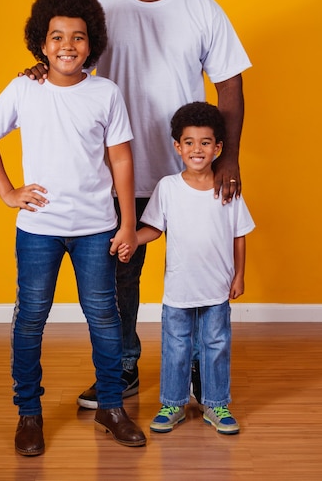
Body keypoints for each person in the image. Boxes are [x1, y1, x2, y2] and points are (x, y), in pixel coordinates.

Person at [21, 0, 252, 410]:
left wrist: (228, 159)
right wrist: (39, 69)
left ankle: (196, 373)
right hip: (115, 172)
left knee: (200, 268)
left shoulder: (203, 9)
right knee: (121, 273)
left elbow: (230, 85)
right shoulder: (99, 7)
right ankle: (124, 368)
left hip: (189, 172)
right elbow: (66, 57)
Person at [0, 0, 146, 456]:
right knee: (30, 320)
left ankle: (112, 407)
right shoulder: (23, 88)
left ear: (92, 44)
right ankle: (28, 414)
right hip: (38, 231)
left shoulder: (105, 93)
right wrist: (8, 192)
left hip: (96, 227)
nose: (67, 45)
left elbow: (122, 161)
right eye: (56, 36)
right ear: (41, 43)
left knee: (104, 319)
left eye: (78, 37)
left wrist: (127, 224)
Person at [118, 102, 255, 434]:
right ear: (178, 147)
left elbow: (239, 236)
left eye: (206, 142)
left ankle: (216, 404)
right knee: (176, 346)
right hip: (179, 289)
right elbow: (154, 228)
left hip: (217, 289)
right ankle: (173, 403)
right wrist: (133, 239)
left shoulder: (228, 189)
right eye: (189, 142)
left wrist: (239, 275)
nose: (198, 149)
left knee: (216, 345)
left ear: (218, 147)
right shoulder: (168, 187)